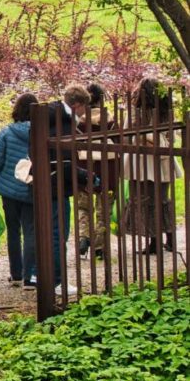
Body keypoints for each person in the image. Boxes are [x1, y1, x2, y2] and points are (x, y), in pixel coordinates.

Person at [43, 84, 92, 294]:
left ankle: (46, 277)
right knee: (58, 234)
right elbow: (63, 162)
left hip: (50, 182)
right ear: (78, 104)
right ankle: (57, 281)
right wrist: (85, 176)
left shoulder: (51, 116)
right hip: (56, 184)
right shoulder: (62, 123)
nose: (84, 113)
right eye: (83, 108)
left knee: (51, 232)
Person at [123, 78, 180, 254]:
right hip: (161, 161)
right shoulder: (166, 111)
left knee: (147, 202)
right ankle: (169, 240)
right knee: (161, 201)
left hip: (141, 162)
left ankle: (156, 242)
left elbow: (126, 136)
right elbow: (172, 137)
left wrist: (143, 138)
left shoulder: (134, 112)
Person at [0, 93, 37, 287]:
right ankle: (29, 276)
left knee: (13, 232)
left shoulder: (6, 133)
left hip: (9, 191)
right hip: (31, 189)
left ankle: (15, 274)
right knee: (31, 232)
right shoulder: (42, 133)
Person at [75, 83, 118, 259]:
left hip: (84, 168)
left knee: (82, 207)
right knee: (104, 210)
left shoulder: (78, 122)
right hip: (107, 169)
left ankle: (83, 237)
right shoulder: (110, 121)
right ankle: (100, 245)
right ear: (101, 99)